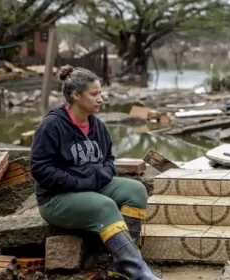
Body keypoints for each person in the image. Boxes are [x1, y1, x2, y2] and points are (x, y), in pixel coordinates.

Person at [30, 65, 160, 280]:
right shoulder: (51, 126)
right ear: (75, 95)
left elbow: (109, 159)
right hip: (56, 198)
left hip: (91, 186)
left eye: (100, 93)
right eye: (94, 94)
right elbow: (40, 169)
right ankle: (137, 272)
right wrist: (79, 182)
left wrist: (100, 177)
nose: (100, 99)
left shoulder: (97, 125)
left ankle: (121, 263)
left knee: (136, 190)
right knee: (105, 206)